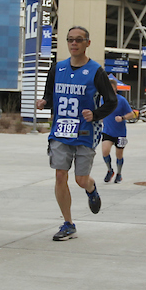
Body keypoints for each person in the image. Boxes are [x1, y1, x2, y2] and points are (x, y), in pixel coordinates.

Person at [35, 26, 117, 240]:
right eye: (70, 39)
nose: (74, 43)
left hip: (84, 132)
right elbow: (49, 94)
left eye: (79, 40)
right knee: (60, 175)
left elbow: (112, 101)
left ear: (87, 43)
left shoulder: (96, 71)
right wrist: (44, 102)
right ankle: (68, 223)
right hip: (60, 131)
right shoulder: (57, 68)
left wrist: (96, 114)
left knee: (80, 179)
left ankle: (91, 188)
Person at [99, 79, 135, 184]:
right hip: (107, 131)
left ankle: (119, 173)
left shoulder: (122, 100)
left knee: (119, 154)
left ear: (115, 88)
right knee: (105, 151)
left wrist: (123, 118)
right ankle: (110, 170)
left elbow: (131, 114)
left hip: (120, 132)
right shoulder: (102, 100)